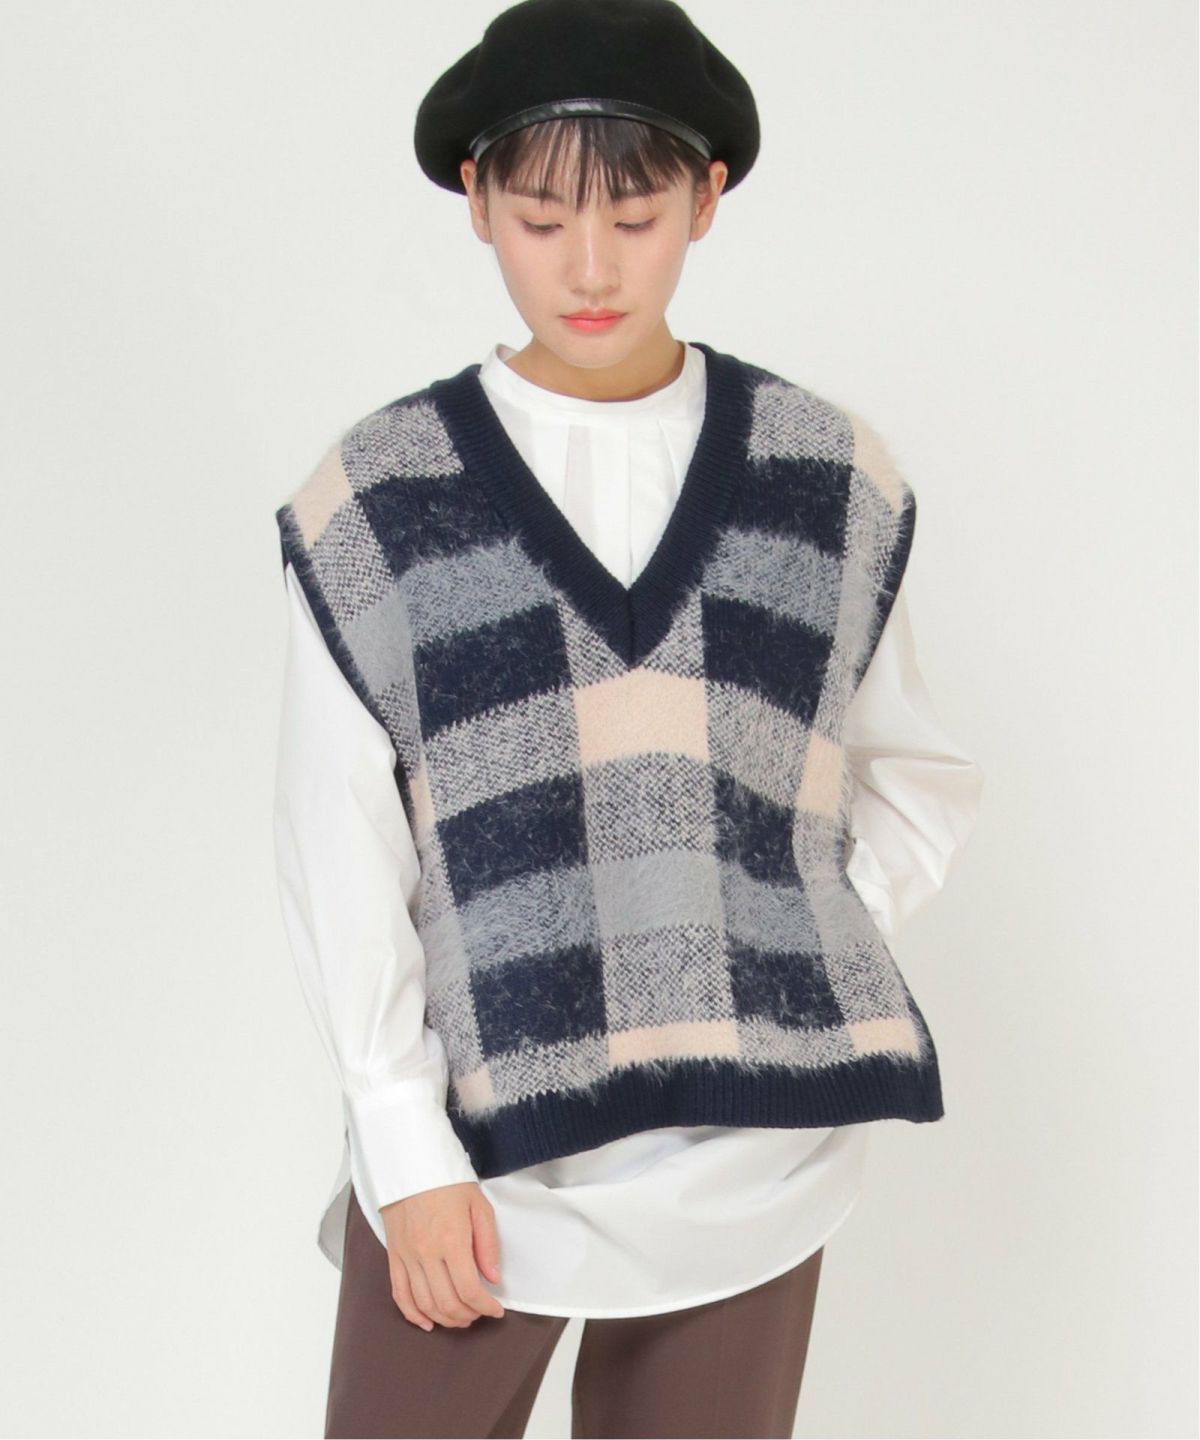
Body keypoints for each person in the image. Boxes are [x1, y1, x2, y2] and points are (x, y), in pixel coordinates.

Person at [271, 1, 984, 1435]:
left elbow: (914, 773)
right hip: (480, 1145)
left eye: (638, 217)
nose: (590, 268)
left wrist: (782, 944)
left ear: (708, 199)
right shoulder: (382, 499)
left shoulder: (826, 479)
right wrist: (402, 1141)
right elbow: (335, 839)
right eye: (541, 219)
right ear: (476, 199)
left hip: (747, 1151)